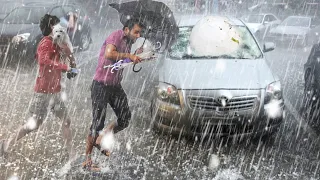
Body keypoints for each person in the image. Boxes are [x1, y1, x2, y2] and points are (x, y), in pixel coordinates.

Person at [0, 14, 76, 159]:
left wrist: (71, 61)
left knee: (66, 120)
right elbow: (44, 61)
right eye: (57, 26)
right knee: (33, 125)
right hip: (43, 92)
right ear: (51, 27)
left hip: (56, 91)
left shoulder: (58, 42)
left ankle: (71, 154)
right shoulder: (45, 43)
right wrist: (64, 67)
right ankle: (6, 144)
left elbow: (67, 54)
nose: (60, 29)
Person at [82, 18, 145, 169]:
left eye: (140, 33)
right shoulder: (116, 36)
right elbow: (109, 54)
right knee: (97, 123)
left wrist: (134, 55)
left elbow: (119, 62)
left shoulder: (129, 43)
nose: (138, 35)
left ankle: (102, 137)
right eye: (136, 32)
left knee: (125, 118)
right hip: (100, 86)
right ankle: (87, 160)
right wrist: (129, 56)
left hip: (115, 86)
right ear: (126, 30)